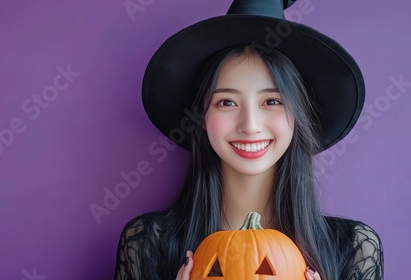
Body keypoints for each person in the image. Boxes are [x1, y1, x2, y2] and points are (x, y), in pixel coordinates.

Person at [114, 1, 384, 279]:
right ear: (202, 117)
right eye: (227, 102)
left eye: (271, 101)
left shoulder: (354, 248)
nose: (250, 126)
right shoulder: (146, 243)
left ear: (298, 116)